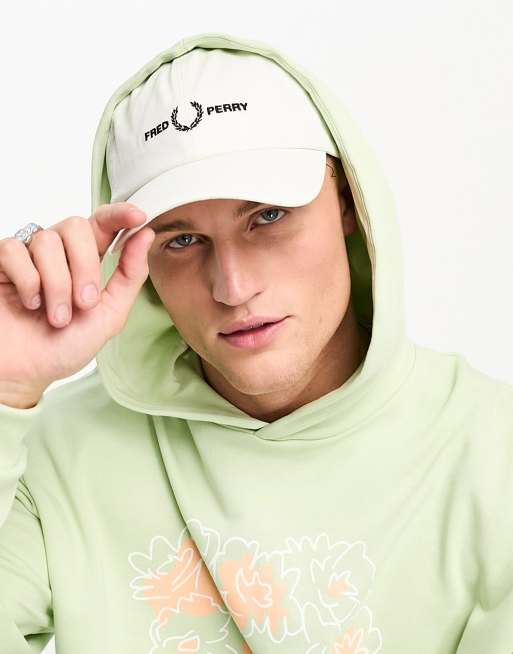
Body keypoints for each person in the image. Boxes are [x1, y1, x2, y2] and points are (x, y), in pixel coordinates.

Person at [0, 32, 512, 654]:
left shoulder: (493, 455)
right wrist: (5, 384)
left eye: (268, 216)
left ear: (348, 201)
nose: (233, 287)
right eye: (181, 240)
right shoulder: (50, 452)